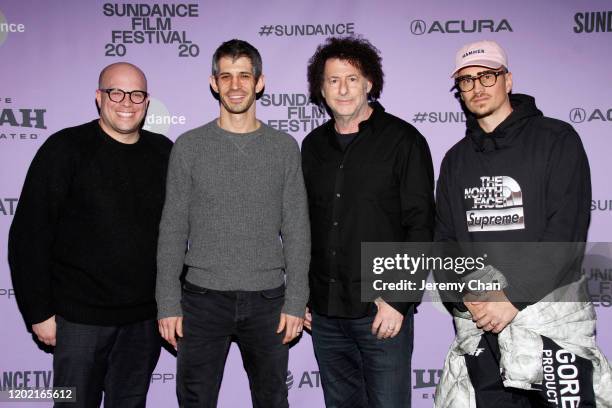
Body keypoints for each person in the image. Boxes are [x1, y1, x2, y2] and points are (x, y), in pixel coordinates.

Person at [434, 40, 612, 407]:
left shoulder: (557, 139)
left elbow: (566, 233)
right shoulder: (456, 159)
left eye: (487, 76)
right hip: (483, 326)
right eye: (466, 81)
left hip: (551, 323)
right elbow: (445, 241)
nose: (477, 87)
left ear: (508, 80)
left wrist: (511, 298)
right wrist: (466, 298)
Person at [155, 39, 310, 408]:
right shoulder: (189, 146)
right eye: (226, 76)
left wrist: (296, 300)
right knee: (195, 399)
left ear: (260, 82)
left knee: (272, 400)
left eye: (244, 76)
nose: (235, 85)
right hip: (202, 299)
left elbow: (297, 229)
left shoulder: (284, 147)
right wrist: (167, 303)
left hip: (269, 300)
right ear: (214, 83)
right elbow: (173, 229)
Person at [8, 62, 171, 407]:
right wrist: (38, 312)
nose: (126, 101)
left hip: (143, 322)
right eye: (116, 92)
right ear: (99, 97)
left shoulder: (164, 152)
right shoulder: (65, 148)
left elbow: (178, 234)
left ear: (147, 101)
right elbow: (28, 235)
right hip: (79, 321)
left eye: (136, 94)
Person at [301, 36, 435, 408]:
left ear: (369, 83)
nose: (342, 89)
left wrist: (398, 299)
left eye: (352, 78)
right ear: (321, 88)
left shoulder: (403, 141)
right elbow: (303, 226)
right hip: (325, 313)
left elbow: (421, 225)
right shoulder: (311, 147)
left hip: (380, 311)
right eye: (333, 80)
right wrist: (303, 295)